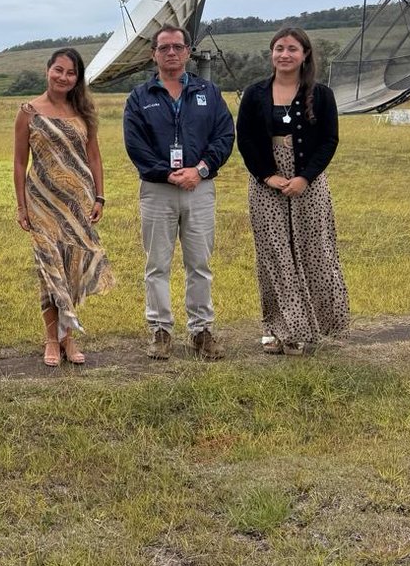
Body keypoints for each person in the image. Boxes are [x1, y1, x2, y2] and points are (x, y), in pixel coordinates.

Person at [123, 23, 235, 361]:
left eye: (177, 47)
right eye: (164, 48)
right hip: (158, 191)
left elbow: (224, 136)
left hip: (199, 188)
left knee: (199, 263)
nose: (171, 53)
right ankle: (160, 331)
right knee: (157, 264)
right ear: (153, 55)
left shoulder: (209, 93)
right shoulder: (140, 97)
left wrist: (199, 170)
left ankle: (201, 331)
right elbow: (136, 146)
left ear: (187, 51)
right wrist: (168, 175)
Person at [236, 27, 349, 355]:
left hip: (309, 184)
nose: (284, 54)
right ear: (271, 53)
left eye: (292, 49)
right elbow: (245, 139)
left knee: (315, 252)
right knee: (275, 256)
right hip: (266, 184)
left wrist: (305, 178)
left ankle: (317, 326)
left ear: (305, 55)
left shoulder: (322, 95)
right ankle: (278, 328)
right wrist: (267, 175)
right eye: (279, 48)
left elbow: (329, 139)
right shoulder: (254, 93)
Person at [13, 48, 114, 366]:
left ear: (77, 78)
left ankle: (68, 339)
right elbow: (19, 162)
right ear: (48, 70)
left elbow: (94, 156)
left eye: (71, 73)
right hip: (42, 203)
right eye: (58, 70)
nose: (63, 77)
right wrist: (21, 206)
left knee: (71, 270)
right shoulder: (28, 111)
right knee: (49, 271)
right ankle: (52, 341)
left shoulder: (83, 112)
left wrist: (99, 196)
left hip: (77, 204)